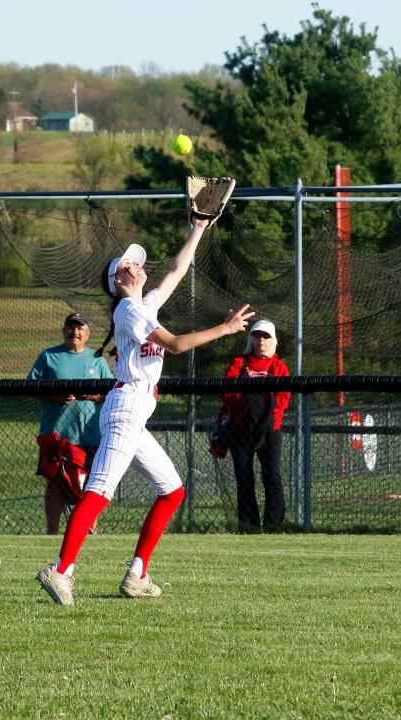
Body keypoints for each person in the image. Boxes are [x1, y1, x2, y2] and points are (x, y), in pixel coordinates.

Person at [36, 216, 254, 605]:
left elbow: (176, 270)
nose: (137, 265)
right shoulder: (129, 312)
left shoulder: (145, 306)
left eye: (136, 262)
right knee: (99, 490)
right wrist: (223, 329)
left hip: (136, 412)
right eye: (128, 265)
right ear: (117, 282)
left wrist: (199, 228)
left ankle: (137, 574)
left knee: (172, 490)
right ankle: (61, 570)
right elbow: (174, 344)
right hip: (125, 407)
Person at [28, 313, 113, 534]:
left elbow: (110, 393)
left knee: (91, 484)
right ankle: (52, 533)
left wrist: (92, 394)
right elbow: (30, 387)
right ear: (64, 330)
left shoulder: (97, 359)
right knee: (55, 484)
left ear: (87, 333)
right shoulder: (48, 357)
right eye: (70, 327)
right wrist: (55, 396)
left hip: (90, 435)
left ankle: (86, 529)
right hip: (57, 435)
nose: (75, 332)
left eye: (80, 328)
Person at [221, 319, 291, 532]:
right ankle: (248, 524)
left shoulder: (278, 366)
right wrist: (244, 411)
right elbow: (227, 391)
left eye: (266, 336)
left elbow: (283, 398)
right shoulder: (239, 363)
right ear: (250, 338)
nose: (261, 340)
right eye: (257, 335)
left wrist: (268, 417)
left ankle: (273, 525)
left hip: (270, 430)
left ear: (273, 340)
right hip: (241, 429)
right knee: (244, 477)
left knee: (271, 476)